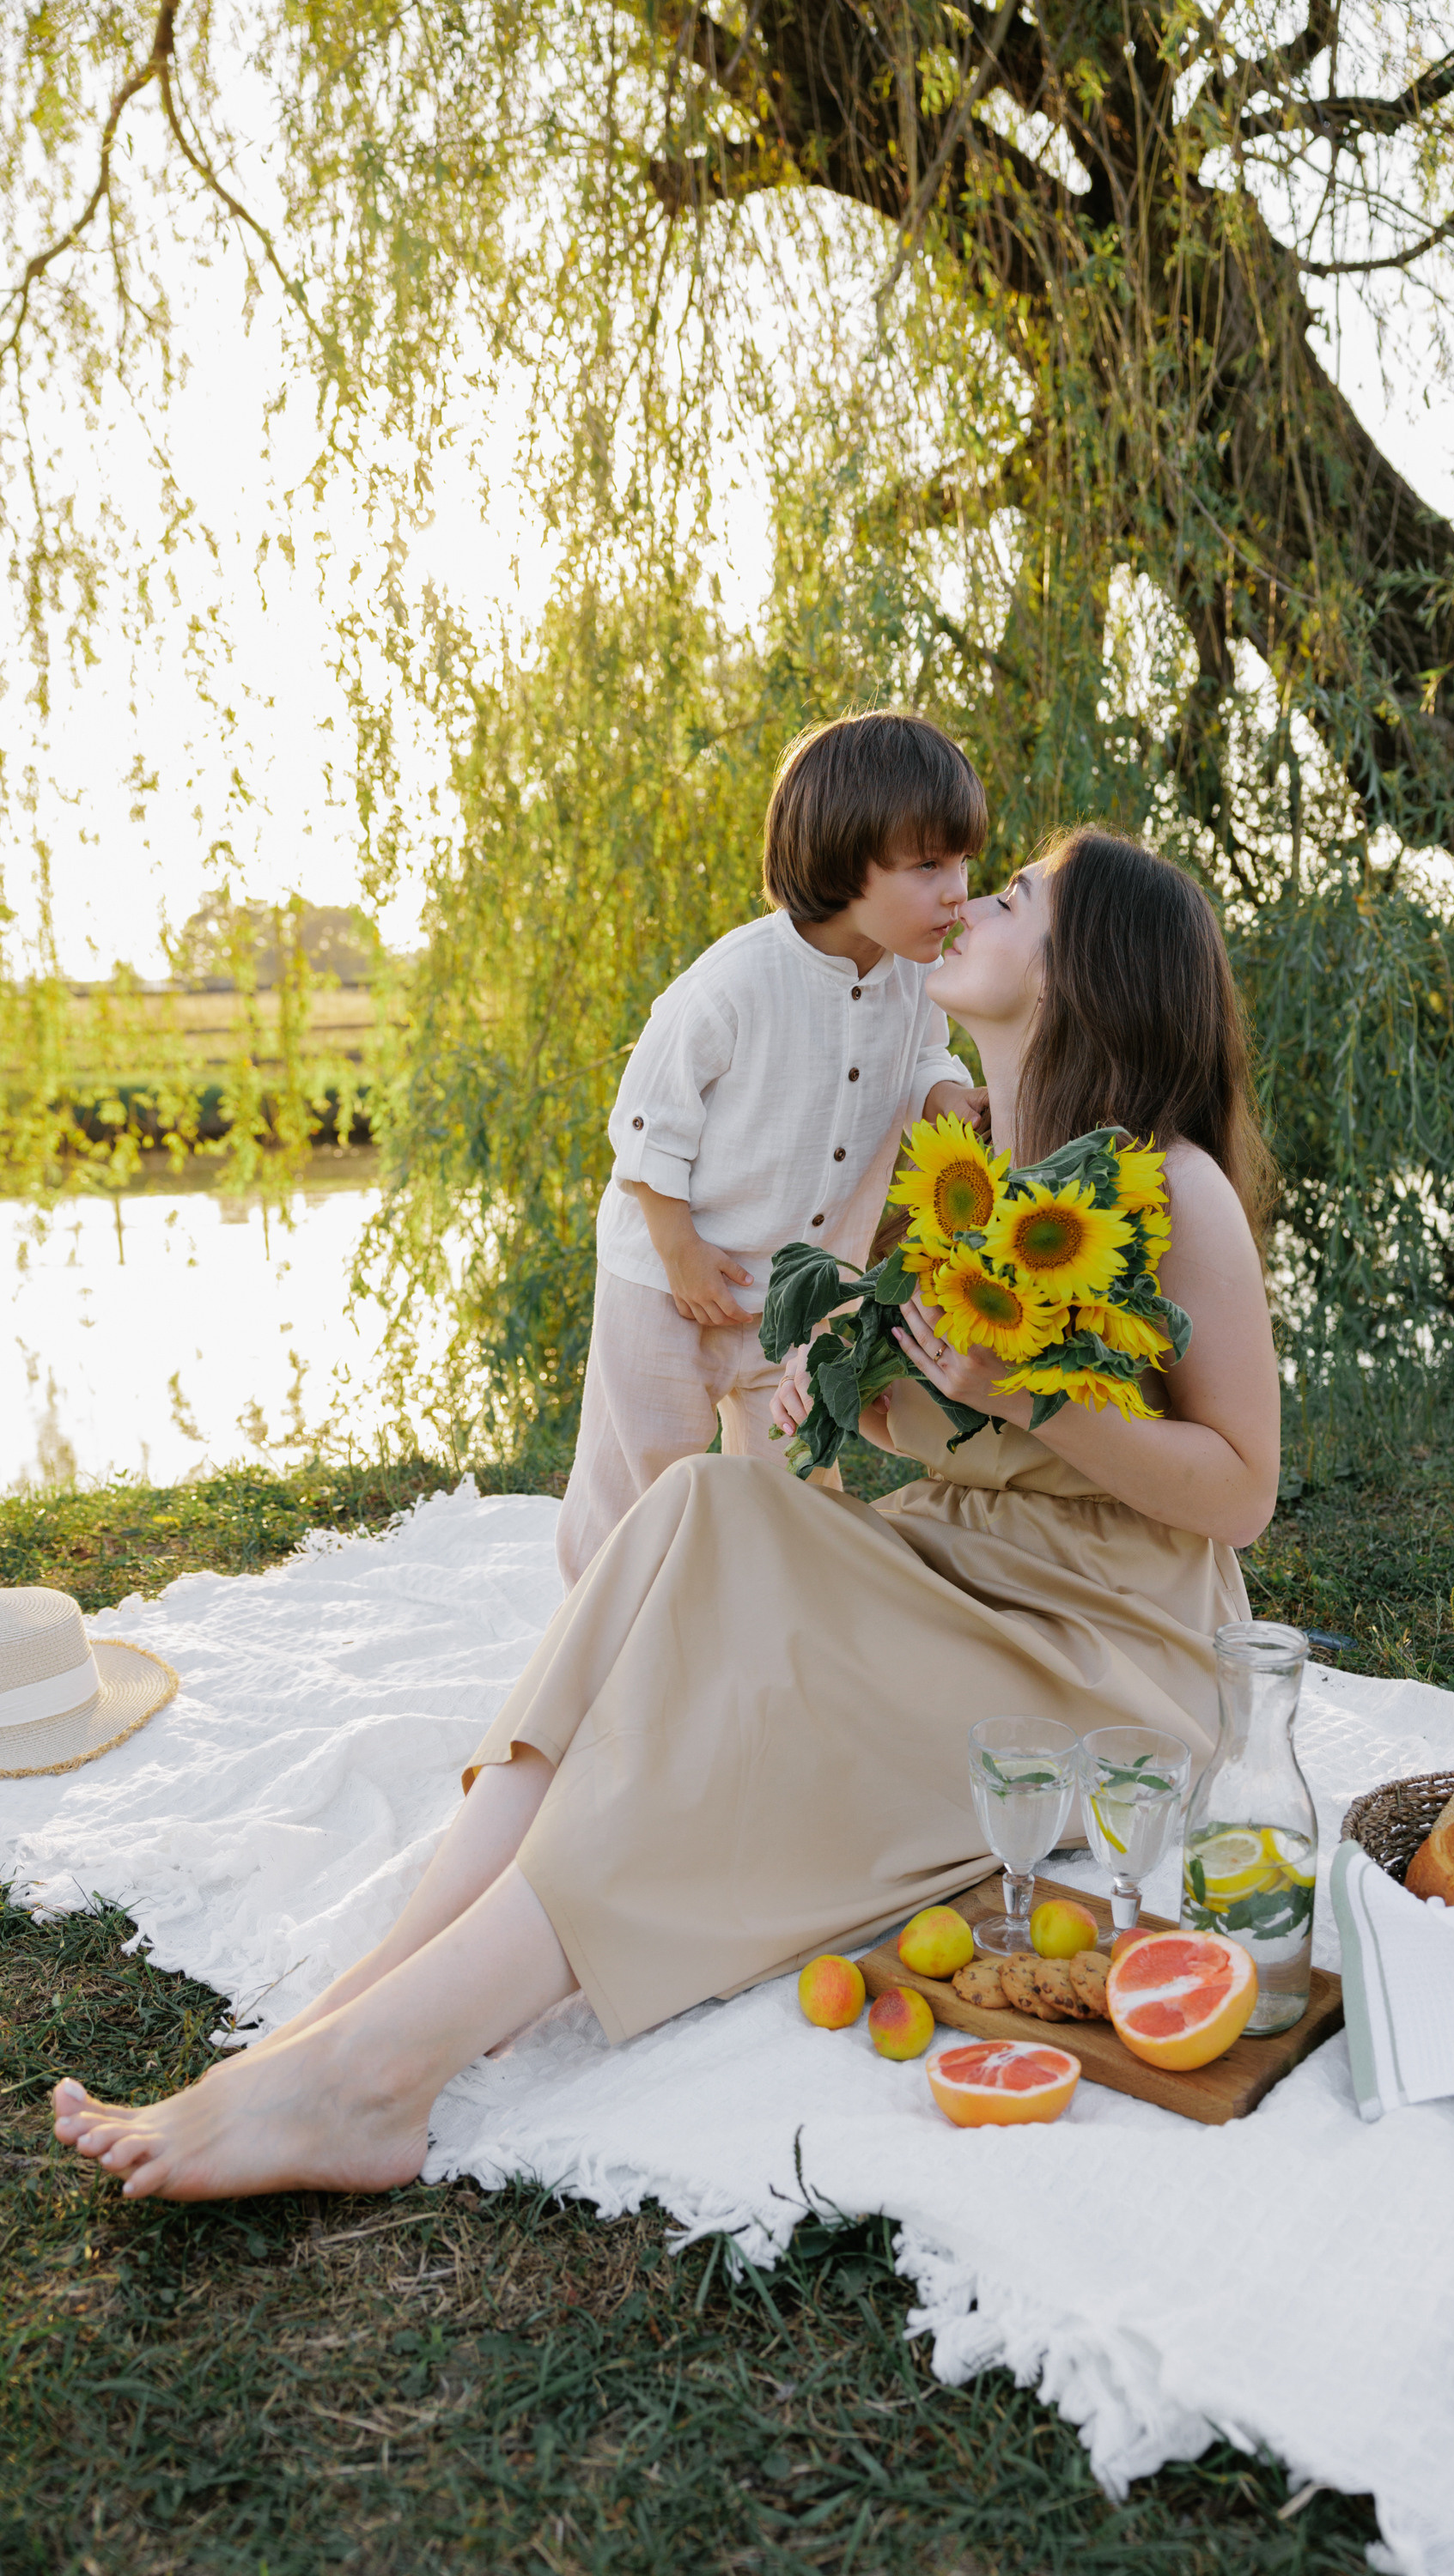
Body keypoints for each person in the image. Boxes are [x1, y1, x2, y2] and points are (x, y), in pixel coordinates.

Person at [52, 829, 1281, 2202]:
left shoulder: (1171, 1189)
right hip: (958, 1571)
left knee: (733, 1701)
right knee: (703, 1499)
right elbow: (938, 1430)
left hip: (1106, 1651)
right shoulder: (964, 1161)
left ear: (1081, 976)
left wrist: (1036, 1397)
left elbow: (1240, 1491)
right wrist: (861, 1384)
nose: (967, 906)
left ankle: (380, 2071)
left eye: (1013, 900)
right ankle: (363, 1993)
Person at [556, 710, 988, 1587]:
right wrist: (678, 1252)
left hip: (801, 1290)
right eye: (928, 866)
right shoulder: (733, 982)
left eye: (963, 862)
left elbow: (925, 1055)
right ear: (843, 860)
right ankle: (596, 1651)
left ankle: (762, 1640)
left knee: (793, 1482)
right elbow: (647, 1123)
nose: (959, 892)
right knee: (636, 1479)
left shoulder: (912, 982)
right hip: (671, 1279)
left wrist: (942, 1095)